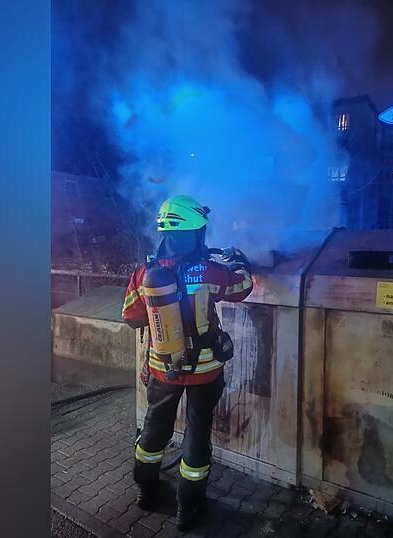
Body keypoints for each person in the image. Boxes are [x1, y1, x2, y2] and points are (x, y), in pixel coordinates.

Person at [120, 194, 253, 530]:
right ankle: (187, 509)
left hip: (162, 369)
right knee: (197, 435)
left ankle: (146, 491)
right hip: (205, 373)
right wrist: (240, 262)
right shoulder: (210, 271)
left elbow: (131, 317)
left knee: (154, 430)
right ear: (197, 234)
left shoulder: (144, 272)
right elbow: (243, 286)